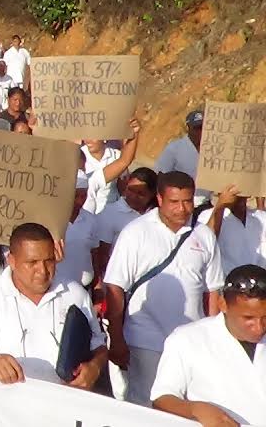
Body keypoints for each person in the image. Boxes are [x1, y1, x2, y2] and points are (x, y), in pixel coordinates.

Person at [105, 171, 224, 406]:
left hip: (191, 341)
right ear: (159, 199)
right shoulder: (136, 233)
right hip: (145, 339)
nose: (182, 209)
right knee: (145, 405)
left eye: (187, 201)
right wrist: (116, 339)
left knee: (187, 405)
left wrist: (214, 338)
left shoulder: (205, 236)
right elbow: (115, 287)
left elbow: (213, 291)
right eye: (174, 202)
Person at [0, 224, 108, 388]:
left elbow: (98, 345)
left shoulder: (76, 294)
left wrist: (94, 367)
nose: (42, 270)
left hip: (65, 405)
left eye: (49, 261)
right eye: (32, 262)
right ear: (11, 260)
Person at [151, 264, 266, 427]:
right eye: (248, 318)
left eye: (265, 317)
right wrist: (197, 409)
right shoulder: (187, 339)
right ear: (223, 305)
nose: (259, 327)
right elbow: (161, 399)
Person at [94, 167, 157, 279]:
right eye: (130, 190)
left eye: (141, 193)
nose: (133, 196)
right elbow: (102, 255)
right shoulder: (110, 213)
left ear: (152, 194)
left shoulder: (156, 215)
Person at [156, 110, 209, 205]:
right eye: (198, 128)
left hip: (206, 203)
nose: (201, 132)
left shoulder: (213, 150)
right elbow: (161, 176)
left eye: (204, 128)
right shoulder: (174, 148)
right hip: (181, 203)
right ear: (189, 127)